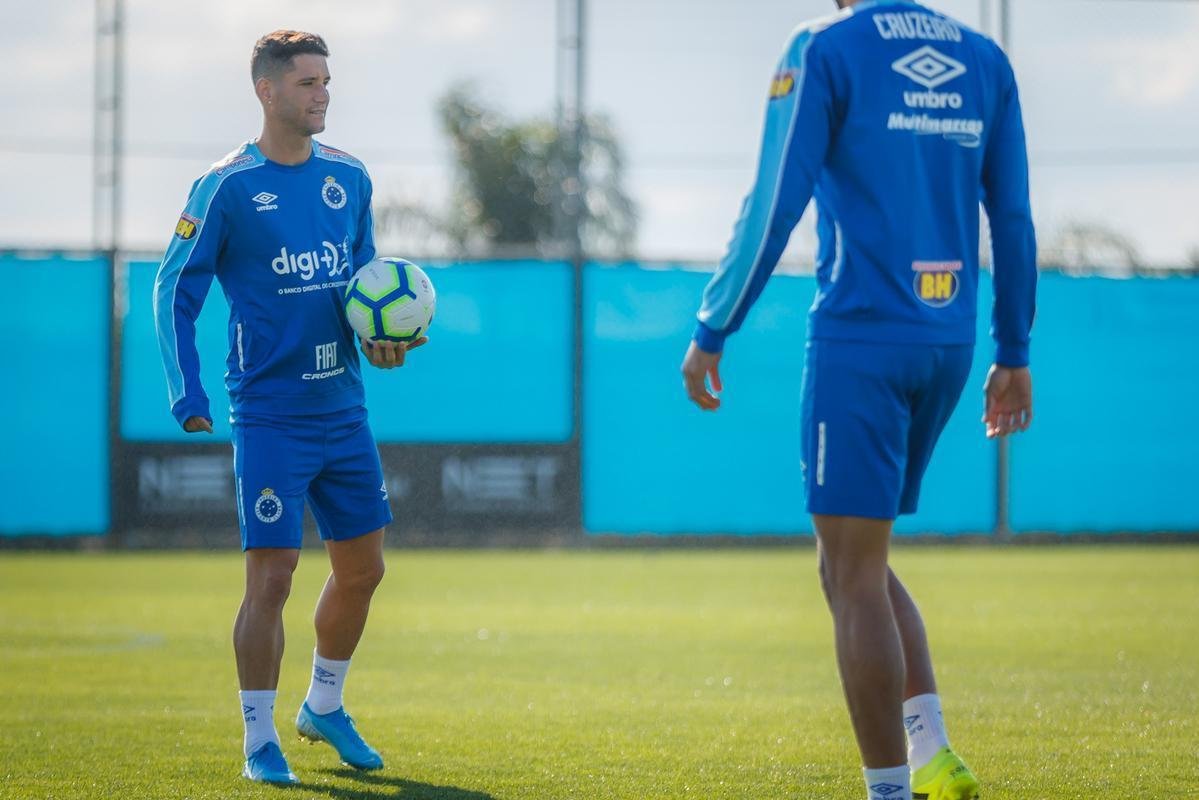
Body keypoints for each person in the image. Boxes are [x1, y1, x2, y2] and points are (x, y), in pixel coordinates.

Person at [681, 2, 1035, 799]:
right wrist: (1012, 350)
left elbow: (776, 199)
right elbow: (1010, 216)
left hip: (860, 340)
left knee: (849, 573)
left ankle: (888, 790)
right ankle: (929, 750)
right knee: (857, 566)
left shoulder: (824, 47)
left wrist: (713, 322)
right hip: (948, 345)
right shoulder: (983, 58)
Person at [153, 30, 426, 785]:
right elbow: (173, 288)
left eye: (327, 82)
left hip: (343, 406)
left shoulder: (350, 177)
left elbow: (364, 287)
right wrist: (189, 392)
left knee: (364, 570)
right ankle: (256, 738)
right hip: (270, 412)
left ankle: (324, 706)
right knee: (271, 576)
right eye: (307, 83)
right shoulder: (226, 187)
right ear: (266, 91)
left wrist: (379, 338)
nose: (322, 94)